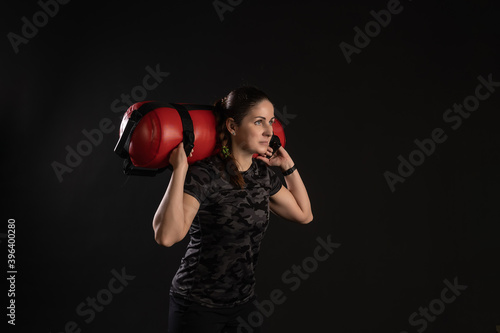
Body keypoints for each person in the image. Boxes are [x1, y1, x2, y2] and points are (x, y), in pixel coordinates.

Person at [152, 86, 313, 333]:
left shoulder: (262, 175)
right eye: (259, 122)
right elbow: (166, 236)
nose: (269, 130)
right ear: (232, 126)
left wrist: (288, 165)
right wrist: (180, 170)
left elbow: (304, 215)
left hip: (243, 303)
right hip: (196, 305)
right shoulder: (205, 175)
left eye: (270, 121)